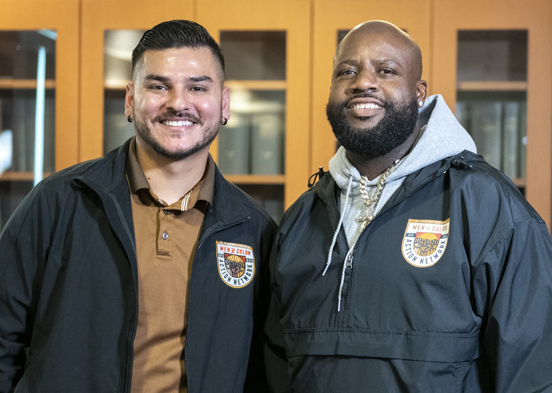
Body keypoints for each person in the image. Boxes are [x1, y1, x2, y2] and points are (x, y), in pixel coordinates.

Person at [264, 20, 552, 392]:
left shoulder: (488, 206)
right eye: (346, 71)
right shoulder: (301, 218)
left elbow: (533, 375)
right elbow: (275, 366)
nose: (362, 82)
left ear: (419, 93)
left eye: (386, 71)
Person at [0, 20, 275, 392]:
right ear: (131, 100)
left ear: (223, 104)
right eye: (159, 86)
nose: (179, 102)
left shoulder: (255, 229)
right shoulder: (57, 202)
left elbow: (265, 370)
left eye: (197, 87)